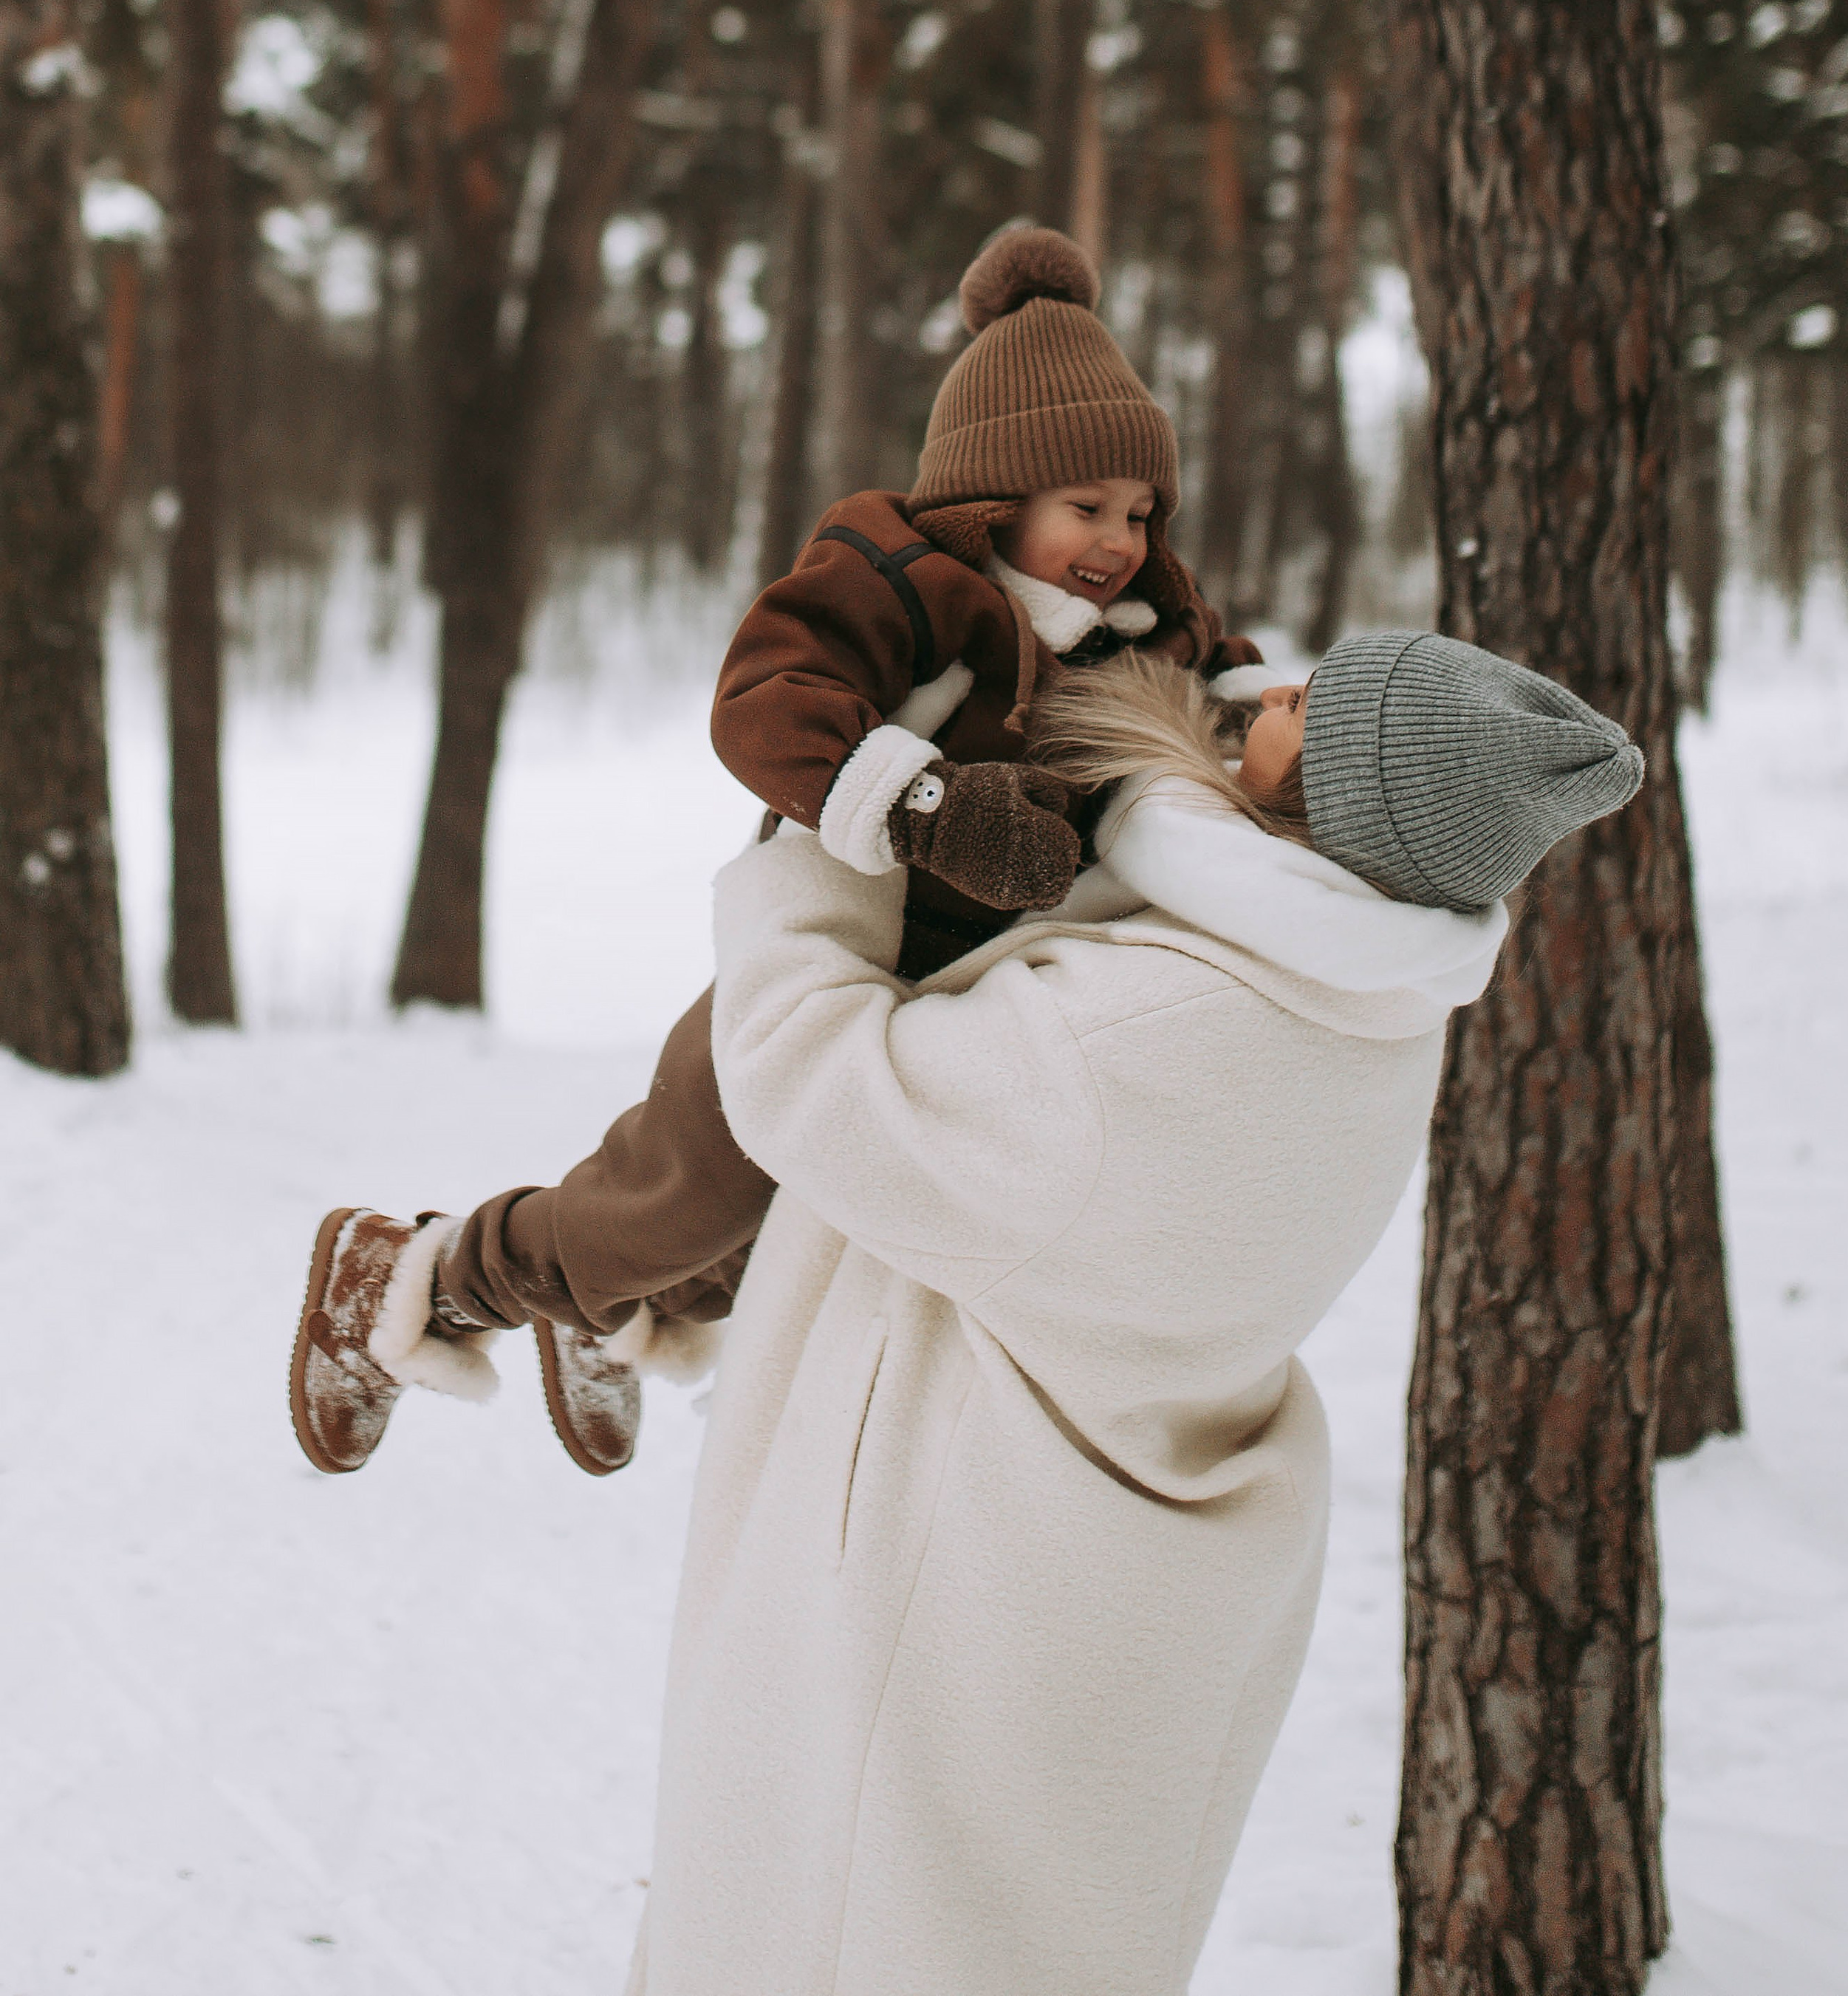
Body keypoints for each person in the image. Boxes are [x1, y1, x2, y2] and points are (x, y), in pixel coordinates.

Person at [295, 624, 1643, 1995]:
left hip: (959, 1612)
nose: (1271, 691)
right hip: (1117, 1613)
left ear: (1339, 810)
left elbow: (808, 1077)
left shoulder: (1150, 1041)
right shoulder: (1370, 993)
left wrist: (823, 838)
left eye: (1315, 708)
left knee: (827, 1943)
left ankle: (514, 1283)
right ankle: (602, 1299)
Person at [291, 225, 1267, 1478]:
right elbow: (770, 696)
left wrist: (1284, 738)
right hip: (820, 950)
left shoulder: (1152, 632)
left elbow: (1231, 707)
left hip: (963, 996)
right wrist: (930, 810)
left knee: (785, 1222)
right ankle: (420, 1281)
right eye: (1086, 508)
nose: (1119, 540)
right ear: (993, 495)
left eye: (1140, 511)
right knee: (682, 1192)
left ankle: (622, 1313)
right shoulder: (902, 575)